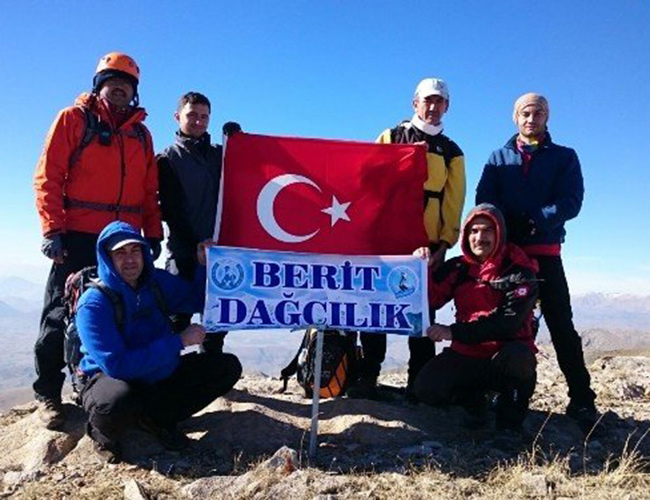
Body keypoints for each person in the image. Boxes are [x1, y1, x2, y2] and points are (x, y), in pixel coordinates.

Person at [33, 52, 163, 429]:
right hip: (76, 234)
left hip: (123, 239)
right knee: (60, 312)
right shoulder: (73, 120)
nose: (119, 87)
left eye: (126, 83)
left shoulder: (141, 133)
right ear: (98, 85)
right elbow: (48, 176)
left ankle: (104, 387)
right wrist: (52, 229)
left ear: (134, 91)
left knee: (120, 312)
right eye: (111, 81)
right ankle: (47, 395)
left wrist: (151, 233)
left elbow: (148, 190)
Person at [476, 92, 598, 430]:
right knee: (504, 323)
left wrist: (537, 219)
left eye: (539, 113)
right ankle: (498, 393)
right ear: (515, 117)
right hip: (508, 256)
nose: (532, 118)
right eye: (526, 113)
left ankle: (582, 398)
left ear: (548, 117)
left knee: (561, 325)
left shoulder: (564, 157)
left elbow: (572, 200)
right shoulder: (498, 158)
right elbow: (484, 199)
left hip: (545, 254)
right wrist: (503, 223)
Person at [76, 221, 242, 462]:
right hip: (113, 378)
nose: (130, 259)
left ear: (144, 253)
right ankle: (103, 432)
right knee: (116, 401)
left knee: (225, 368)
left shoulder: (156, 283)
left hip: (157, 372)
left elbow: (197, 300)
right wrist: (177, 343)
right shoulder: (94, 303)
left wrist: (204, 266)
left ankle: (157, 420)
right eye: (120, 253)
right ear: (107, 258)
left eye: (135, 250)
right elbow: (117, 365)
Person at [348, 77, 466, 399]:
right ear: (415, 104)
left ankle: (419, 384)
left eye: (439, 101)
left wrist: (444, 243)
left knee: (422, 313)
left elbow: (453, 201)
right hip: (384, 240)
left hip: (426, 247)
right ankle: (368, 376)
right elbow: (366, 180)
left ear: (447, 107)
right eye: (427, 101)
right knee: (376, 310)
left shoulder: (452, 152)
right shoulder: (392, 136)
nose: (432, 106)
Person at [413, 204, 539, 430]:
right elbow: (432, 299)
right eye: (474, 231)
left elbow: (506, 324)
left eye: (488, 230)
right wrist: (420, 269)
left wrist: (453, 332)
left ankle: (510, 422)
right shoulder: (459, 267)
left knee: (518, 358)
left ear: (500, 233)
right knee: (426, 388)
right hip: (467, 353)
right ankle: (476, 399)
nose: (480, 237)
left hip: (503, 353)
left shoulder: (520, 271)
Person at [157, 92, 240, 351]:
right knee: (177, 315)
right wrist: (194, 244)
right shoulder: (166, 159)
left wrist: (239, 142)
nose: (199, 122)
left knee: (217, 316)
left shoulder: (221, 155)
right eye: (192, 115)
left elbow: (250, 173)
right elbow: (171, 211)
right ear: (177, 116)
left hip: (220, 248)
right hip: (184, 250)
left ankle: (210, 368)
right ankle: (171, 375)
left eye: (204, 117)